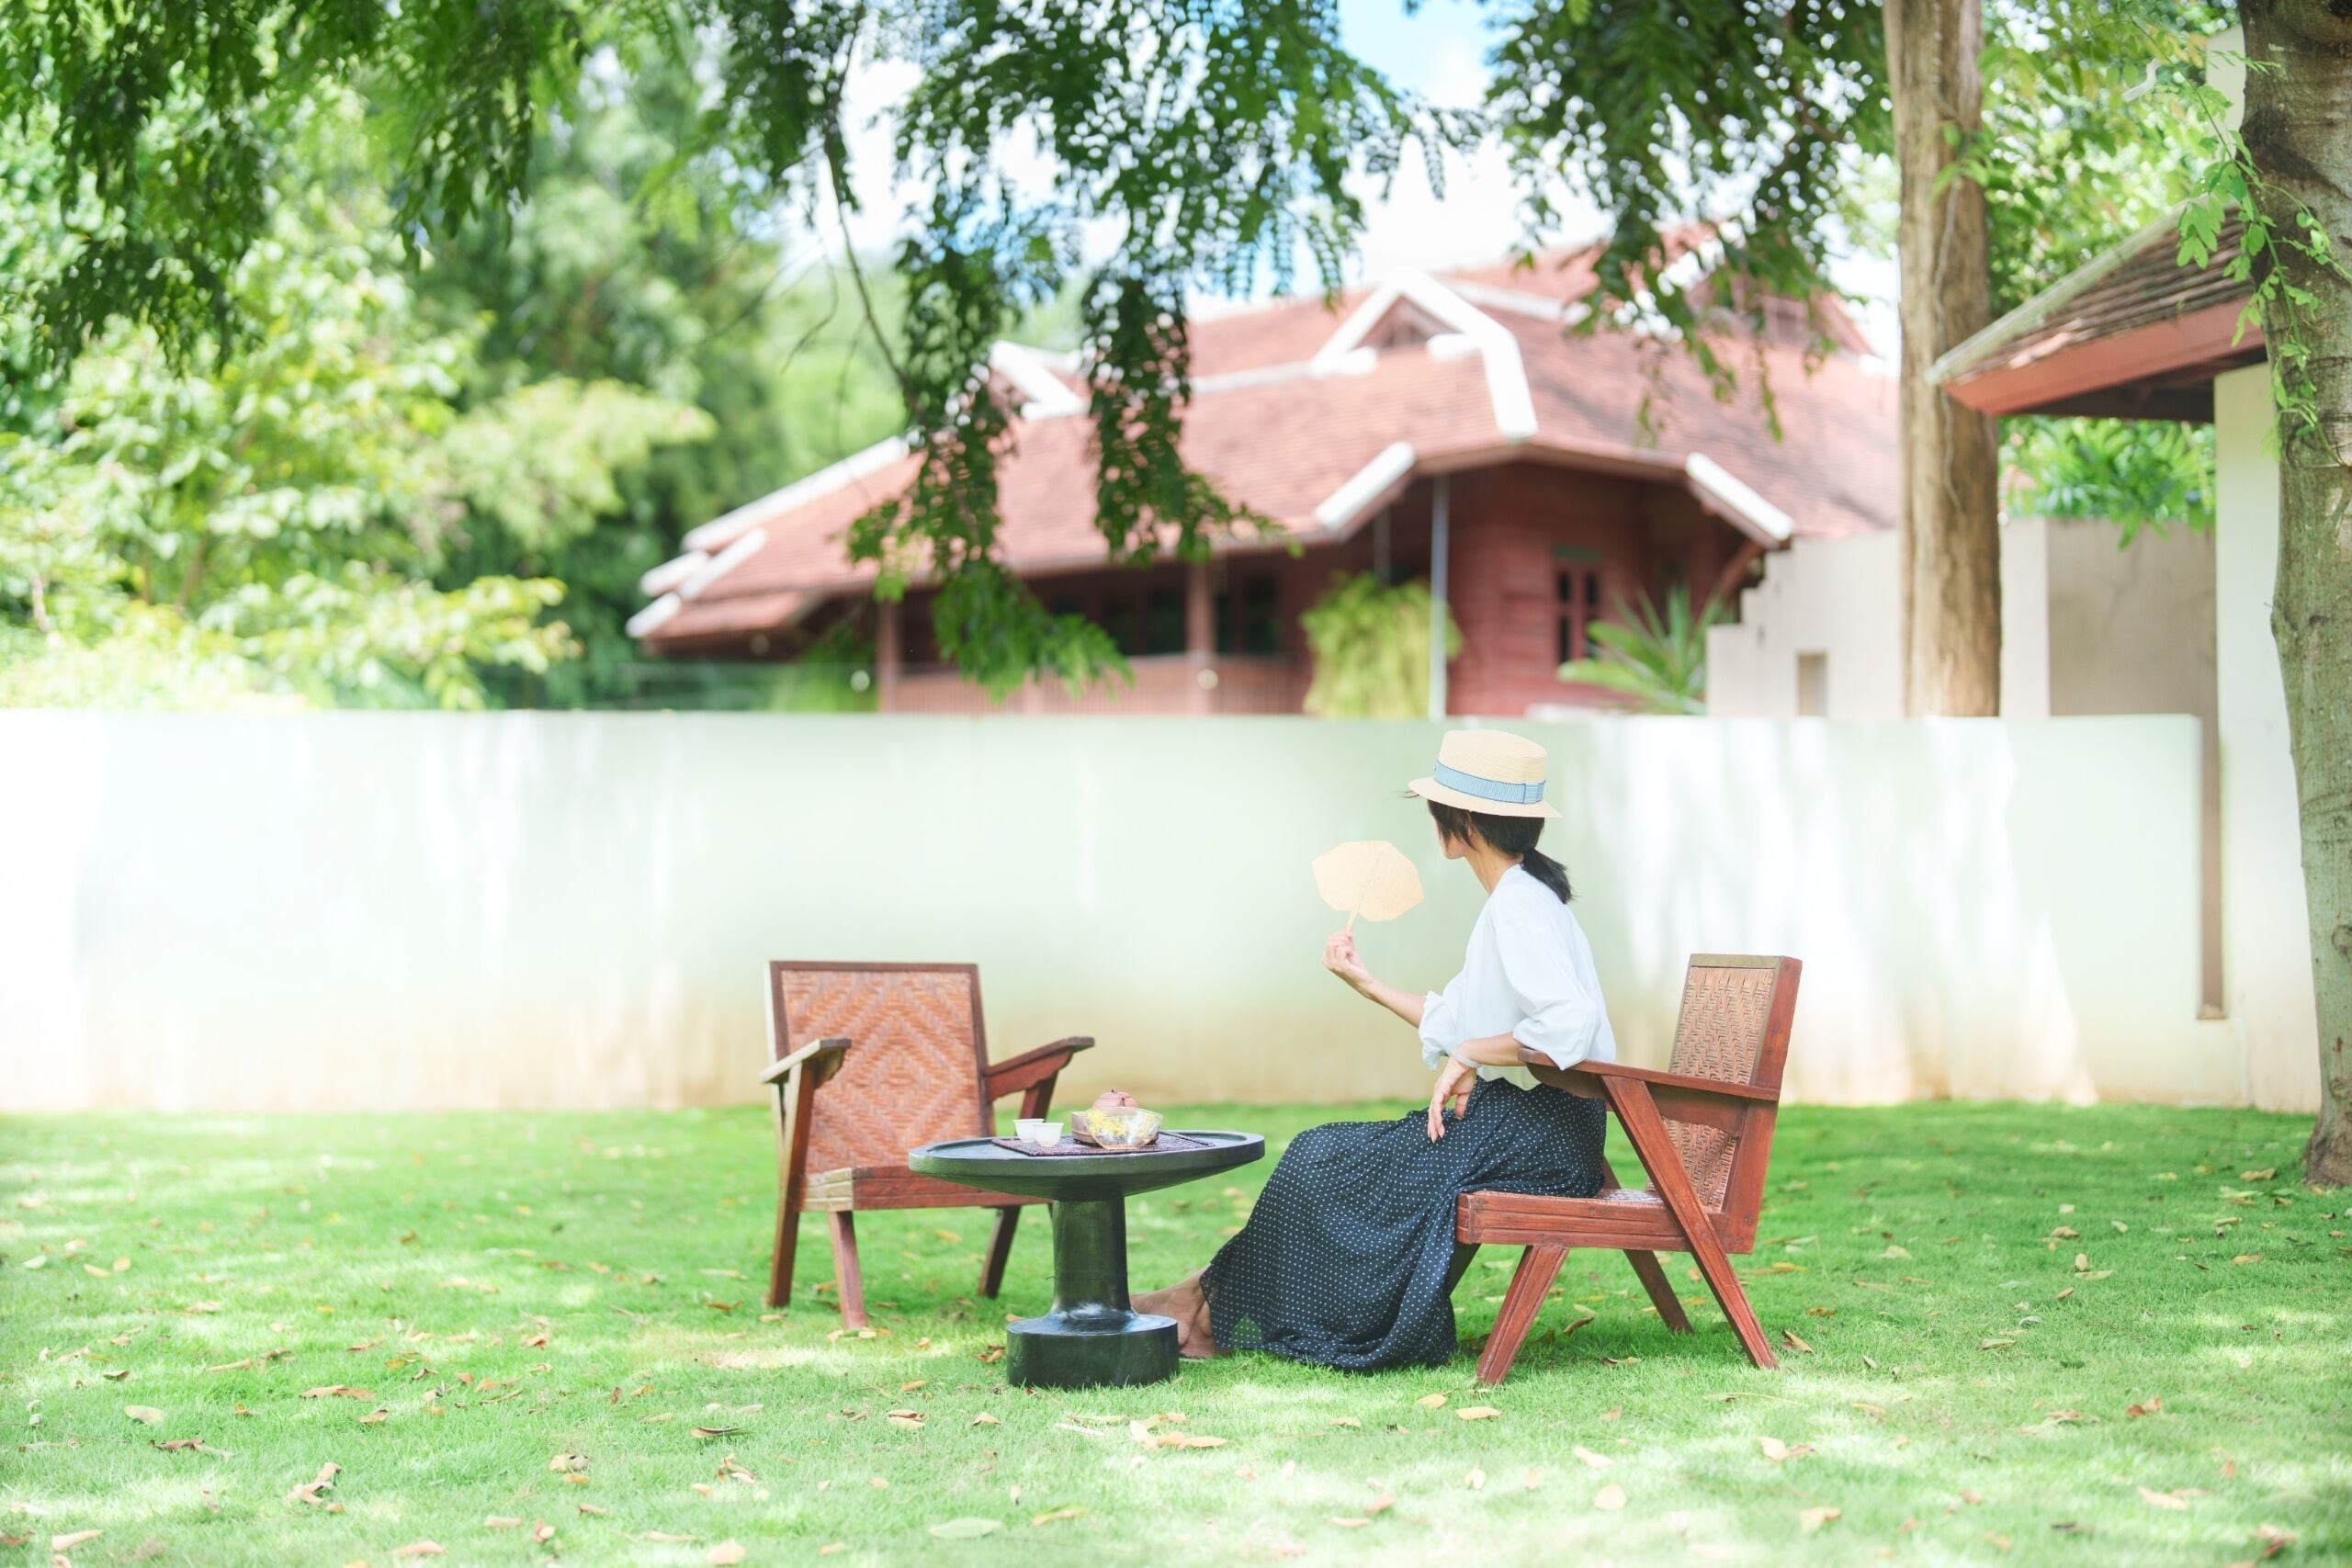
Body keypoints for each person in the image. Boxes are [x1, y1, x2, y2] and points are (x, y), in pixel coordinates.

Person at [1134, 728, 1618, 1368]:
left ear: (1465, 821)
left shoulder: (1519, 906)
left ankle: (1202, 1310)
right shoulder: (1519, 896)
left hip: (1543, 1135)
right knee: (1323, 1157)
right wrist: (1367, 983)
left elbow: (1569, 1025)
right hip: (1531, 1126)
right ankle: (1199, 1301)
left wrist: (1469, 1054)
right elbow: (1458, 1018)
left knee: (1319, 1159)